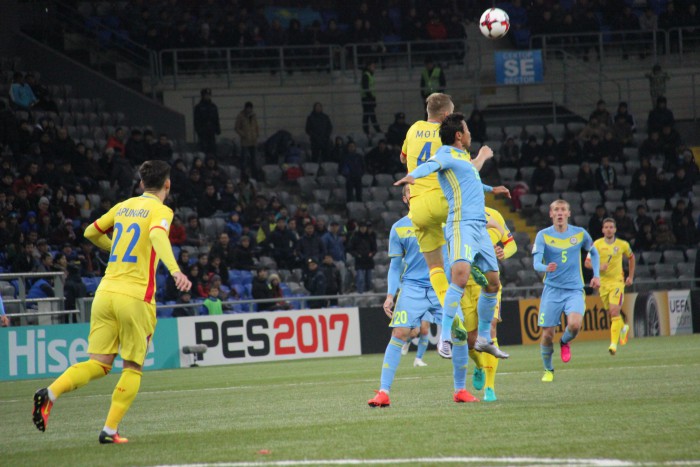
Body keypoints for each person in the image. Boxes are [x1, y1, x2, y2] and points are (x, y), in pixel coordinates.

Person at [32, 160, 192, 444]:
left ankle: (50, 393)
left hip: (105, 293)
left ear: (141, 183)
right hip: (135, 297)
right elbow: (157, 234)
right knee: (132, 366)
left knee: (99, 363)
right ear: (167, 184)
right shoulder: (161, 210)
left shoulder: (123, 206)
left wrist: (115, 246)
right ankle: (109, 430)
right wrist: (175, 270)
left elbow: (90, 232)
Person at [395, 113, 510, 368]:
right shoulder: (446, 154)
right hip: (461, 224)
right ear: (459, 135)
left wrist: (493, 189)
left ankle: (483, 338)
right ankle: (444, 338)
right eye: (467, 130)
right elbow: (431, 165)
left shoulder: (462, 159)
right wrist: (412, 176)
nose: (469, 133)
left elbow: (472, 180)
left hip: (479, 227)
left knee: (493, 283)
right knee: (460, 276)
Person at [400, 93, 506, 313]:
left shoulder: (413, 129)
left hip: (418, 206)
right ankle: (475, 261)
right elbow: (470, 170)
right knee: (474, 222)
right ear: (447, 114)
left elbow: (403, 158)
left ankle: (452, 312)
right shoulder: (447, 136)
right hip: (445, 201)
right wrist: (483, 155)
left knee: (435, 266)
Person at [368, 185, 446, 408]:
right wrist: (390, 295)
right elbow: (395, 267)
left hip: (441, 284)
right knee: (399, 332)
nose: (415, 192)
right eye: (410, 191)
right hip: (412, 287)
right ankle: (384, 392)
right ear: (405, 199)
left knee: (464, 335)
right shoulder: (399, 228)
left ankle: (462, 388)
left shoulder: (441, 221)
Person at [531, 199, 600, 382]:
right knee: (547, 335)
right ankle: (548, 370)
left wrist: (596, 275)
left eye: (563, 209)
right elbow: (536, 263)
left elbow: (594, 252)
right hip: (552, 290)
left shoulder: (580, 233)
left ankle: (564, 341)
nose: (559, 213)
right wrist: (545, 267)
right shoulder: (543, 235)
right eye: (556, 210)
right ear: (551, 214)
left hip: (574, 290)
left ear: (569, 213)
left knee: (575, 325)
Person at [461, 206, 517, 402]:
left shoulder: (495, 214)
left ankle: (490, 388)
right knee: (470, 340)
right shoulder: (456, 211)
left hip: (488, 283)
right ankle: (479, 366)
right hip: (464, 284)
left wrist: (503, 253)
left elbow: (511, 245)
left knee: (491, 329)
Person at [585, 218, 634, 356]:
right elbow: (587, 263)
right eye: (606, 227)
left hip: (617, 283)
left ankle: (613, 345)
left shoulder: (623, 244)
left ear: (615, 229)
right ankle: (623, 328)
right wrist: (599, 267)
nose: (609, 229)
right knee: (612, 313)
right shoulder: (597, 244)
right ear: (602, 230)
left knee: (614, 311)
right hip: (603, 284)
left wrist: (630, 276)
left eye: (611, 227)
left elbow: (631, 257)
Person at [348, 221, 376, 293]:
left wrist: (372, 253)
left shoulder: (370, 237)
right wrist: (357, 255)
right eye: (362, 227)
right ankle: (360, 293)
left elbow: (374, 248)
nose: (363, 229)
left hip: (368, 260)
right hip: (359, 261)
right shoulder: (355, 237)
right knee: (360, 278)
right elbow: (350, 249)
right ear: (359, 228)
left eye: (364, 227)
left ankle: (368, 293)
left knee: (368, 279)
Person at [234, 102, 260, 178]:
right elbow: (237, 128)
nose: (249, 110)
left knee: (254, 160)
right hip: (245, 141)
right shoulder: (240, 116)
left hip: (253, 141)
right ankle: (243, 175)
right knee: (244, 160)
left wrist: (257, 134)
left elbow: (256, 125)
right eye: (248, 108)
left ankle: (255, 175)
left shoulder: (254, 116)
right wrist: (243, 134)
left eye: (250, 108)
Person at [193, 88, 221, 156]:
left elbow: (216, 119)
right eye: (206, 95)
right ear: (202, 96)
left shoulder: (213, 106)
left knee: (213, 149)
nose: (207, 96)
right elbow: (196, 120)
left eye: (209, 95)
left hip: (212, 131)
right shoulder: (198, 107)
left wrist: (218, 129)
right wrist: (199, 131)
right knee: (204, 150)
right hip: (203, 132)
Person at [360, 61, 382, 138]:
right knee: (371, 115)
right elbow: (366, 88)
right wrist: (371, 98)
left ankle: (367, 131)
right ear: (369, 66)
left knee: (367, 115)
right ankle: (376, 130)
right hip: (367, 98)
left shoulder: (368, 75)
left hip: (368, 98)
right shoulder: (366, 75)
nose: (374, 68)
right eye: (373, 66)